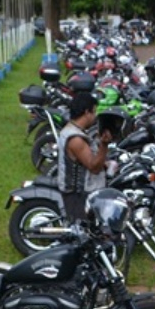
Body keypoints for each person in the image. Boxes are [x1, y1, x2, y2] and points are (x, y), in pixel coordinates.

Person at [57, 92, 112, 221]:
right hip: (78, 195)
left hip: (76, 192)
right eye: (94, 112)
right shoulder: (76, 139)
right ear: (87, 112)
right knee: (83, 233)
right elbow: (94, 167)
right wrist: (104, 145)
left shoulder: (70, 129)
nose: (95, 116)